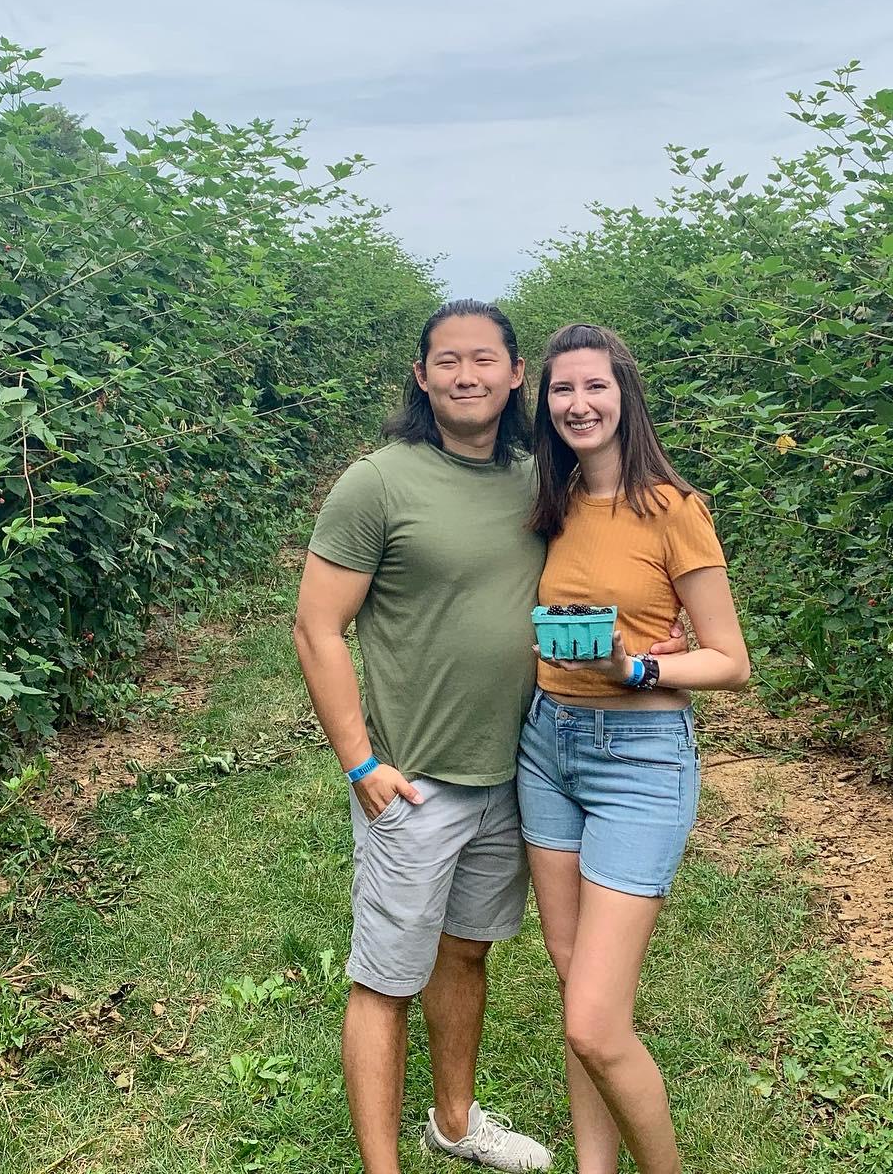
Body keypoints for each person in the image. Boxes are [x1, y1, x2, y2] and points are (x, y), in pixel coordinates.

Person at [293, 300, 686, 1174]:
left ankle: (456, 1121)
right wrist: (362, 763)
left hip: (520, 769)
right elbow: (317, 629)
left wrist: (663, 641)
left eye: (485, 360)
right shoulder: (377, 483)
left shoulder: (533, 480)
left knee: (466, 952)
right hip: (417, 777)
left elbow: (602, 566)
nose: (466, 376)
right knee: (386, 978)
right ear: (422, 376)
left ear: (517, 377)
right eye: (447, 361)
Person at [519, 323, 750, 1174]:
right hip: (546, 747)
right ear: (544, 404)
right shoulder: (553, 503)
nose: (578, 404)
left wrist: (636, 664)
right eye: (561, 390)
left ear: (626, 396)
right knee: (575, 983)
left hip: (639, 756)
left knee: (593, 1023)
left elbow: (730, 659)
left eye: (595, 387)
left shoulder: (674, 509)